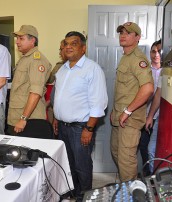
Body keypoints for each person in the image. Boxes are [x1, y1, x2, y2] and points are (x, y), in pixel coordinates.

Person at [53, 31, 108, 201]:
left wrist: (89, 129)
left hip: (80, 128)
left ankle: (84, 197)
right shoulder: (62, 69)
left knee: (82, 166)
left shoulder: (92, 69)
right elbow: (61, 97)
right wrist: (56, 117)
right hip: (62, 126)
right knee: (68, 164)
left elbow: (99, 103)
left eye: (74, 43)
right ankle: (74, 194)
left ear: (83, 48)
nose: (68, 46)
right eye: (66, 43)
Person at [110, 22, 154, 182]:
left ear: (137, 37)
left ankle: (130, 194)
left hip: (130, 119)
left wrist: (127, 111)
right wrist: (115, 112)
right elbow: (125, 91)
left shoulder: (138, 59)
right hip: (119, 117)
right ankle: (127, 185)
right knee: (115, 152)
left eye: (128, 33)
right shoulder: (125, 57)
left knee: (126, 160)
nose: (123, 35)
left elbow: (148, 89)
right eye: (121, 32)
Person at [6, 25, 52, 135]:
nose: (17, 42)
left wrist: (23, 118)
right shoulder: (25, 59)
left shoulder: (36, 60)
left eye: (21, 38)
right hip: (18, 118)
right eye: (17, 38)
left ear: (32, 40)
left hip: (29, 121)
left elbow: (36, 93)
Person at [138, 40, 162, 176]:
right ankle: (146, 174)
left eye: (159, 51)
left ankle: (155, 175)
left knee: (154, 148)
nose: (156, 54)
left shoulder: (168, 70)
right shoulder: (145, 70)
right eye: (153, 51)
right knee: (143, 147)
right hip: (145, 115)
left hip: (161, 117)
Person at [45, 39, 67, 123]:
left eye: (61, 50)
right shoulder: (59, 66)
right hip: (53, 107)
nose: (59, 53)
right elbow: (49, 80)